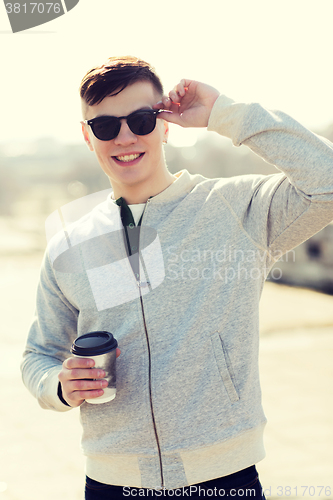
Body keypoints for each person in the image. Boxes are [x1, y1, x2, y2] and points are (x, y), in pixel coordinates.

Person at [21, 56, 333, 500]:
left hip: (225, 477)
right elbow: (39, 354)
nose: (125, 137)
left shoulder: (235, 208)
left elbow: (327, 182)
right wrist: (58, 385)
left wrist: (225, 113)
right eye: (106, 126)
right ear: (88, 136)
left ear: (165, 124)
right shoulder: (69, 246)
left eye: (141, 119)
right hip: (113, 483)